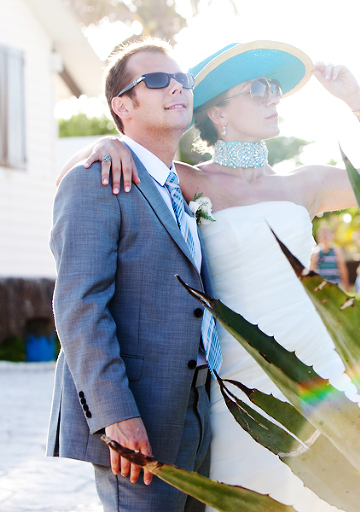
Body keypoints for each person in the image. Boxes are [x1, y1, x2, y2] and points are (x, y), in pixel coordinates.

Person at [63, 40, 360, 512]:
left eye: (275, 89)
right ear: (219, 115)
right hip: (238, 379)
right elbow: (81, 187)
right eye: (258, 90)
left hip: (321, 366)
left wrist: (357, 99)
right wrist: (109, 142)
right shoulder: (187, 180)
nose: (273, 98)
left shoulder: (306, 183)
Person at [48, 38, 216, 512]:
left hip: (196, 409)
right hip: (136, 415)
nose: (177, 88)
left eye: (183, 79)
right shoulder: (97, 176)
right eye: (158, 80)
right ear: (123, 104)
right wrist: (115, 415)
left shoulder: (180, 187)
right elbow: (79, 308)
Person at [310, 226, 350, 291]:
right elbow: (312, 270)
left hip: (335, 285)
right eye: (323, 236)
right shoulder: (316, 252)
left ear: (331, 237)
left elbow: (343, 268)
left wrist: (346, 286)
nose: (325, 238)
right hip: (322, 286)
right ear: (318, 238)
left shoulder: (336, 251)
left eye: (327, 235)